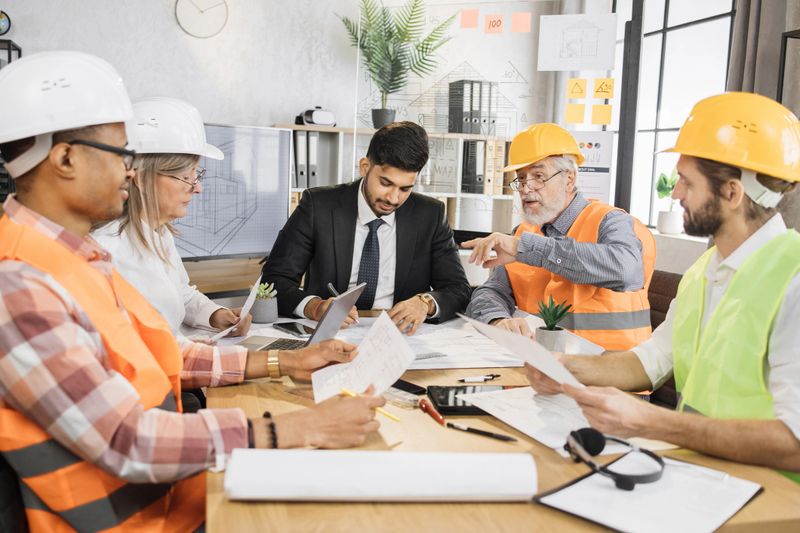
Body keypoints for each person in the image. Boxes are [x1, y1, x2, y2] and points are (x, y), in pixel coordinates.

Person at [0, 51, 385, 532]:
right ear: (65, 158)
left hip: (176, 493)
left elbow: (158, 350)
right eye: (123, 154)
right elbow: (126, 441)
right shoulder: (19, 284)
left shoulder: (73, 257)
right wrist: (296, 428)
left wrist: (281, 361)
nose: (130, 172)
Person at [526, 92, 800, 480]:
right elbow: (653, 359)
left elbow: (795, 442)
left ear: (732, 193)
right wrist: (569, 368)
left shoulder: (794, 280)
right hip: (707, 479)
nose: (676, 194)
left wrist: (653, 422)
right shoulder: (706, 269)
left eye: (687, 182)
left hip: (773, 505)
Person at [262, 121, 470, 335]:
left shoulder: (430, 214)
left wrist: (425, 302)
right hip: (331, 334)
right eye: (386, 183)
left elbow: (458, 289)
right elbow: (274, 280)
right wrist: (315, 307)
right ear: (365, 167)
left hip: (401, 337)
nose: (393, 198)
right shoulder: (318, 206)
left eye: (405, 189)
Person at [463, 123, 655, 351]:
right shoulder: (524, 233)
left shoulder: (611, 222)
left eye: (538, 176)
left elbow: (626, 270)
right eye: (521, 178)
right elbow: (491, 290)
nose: (526, 188)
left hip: (610, 375)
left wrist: (527, 248)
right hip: (541, 368)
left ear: (569, 179)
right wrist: (498, 320)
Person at [93, 96, 252, 338]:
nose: (198, 188)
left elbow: (181, 293)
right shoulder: (105, 251)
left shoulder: (160, 234)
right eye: (187, 177)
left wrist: (215, 314)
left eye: (197, 175)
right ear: (142, 178)